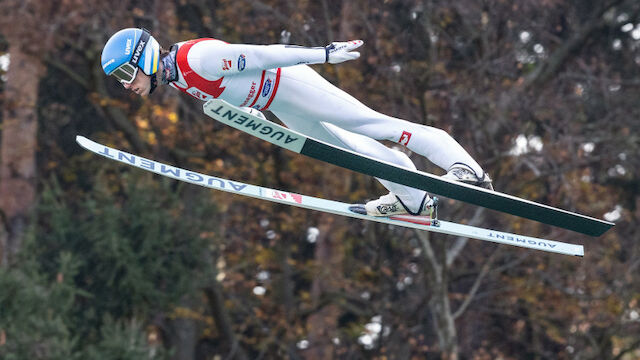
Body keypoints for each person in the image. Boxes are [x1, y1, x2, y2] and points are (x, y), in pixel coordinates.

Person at [100, 28, 492, 218]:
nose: (127, 86)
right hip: (281, 105)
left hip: (291, 84)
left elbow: (260, 56)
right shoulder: (179, 79)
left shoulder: (195, 60)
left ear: (145, 58)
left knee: (371, 125)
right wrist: (250, 117)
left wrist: (321, 54)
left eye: (126, 74)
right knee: (351, 152)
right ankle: (413, 199)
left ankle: (468, 170)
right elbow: (233, 95)